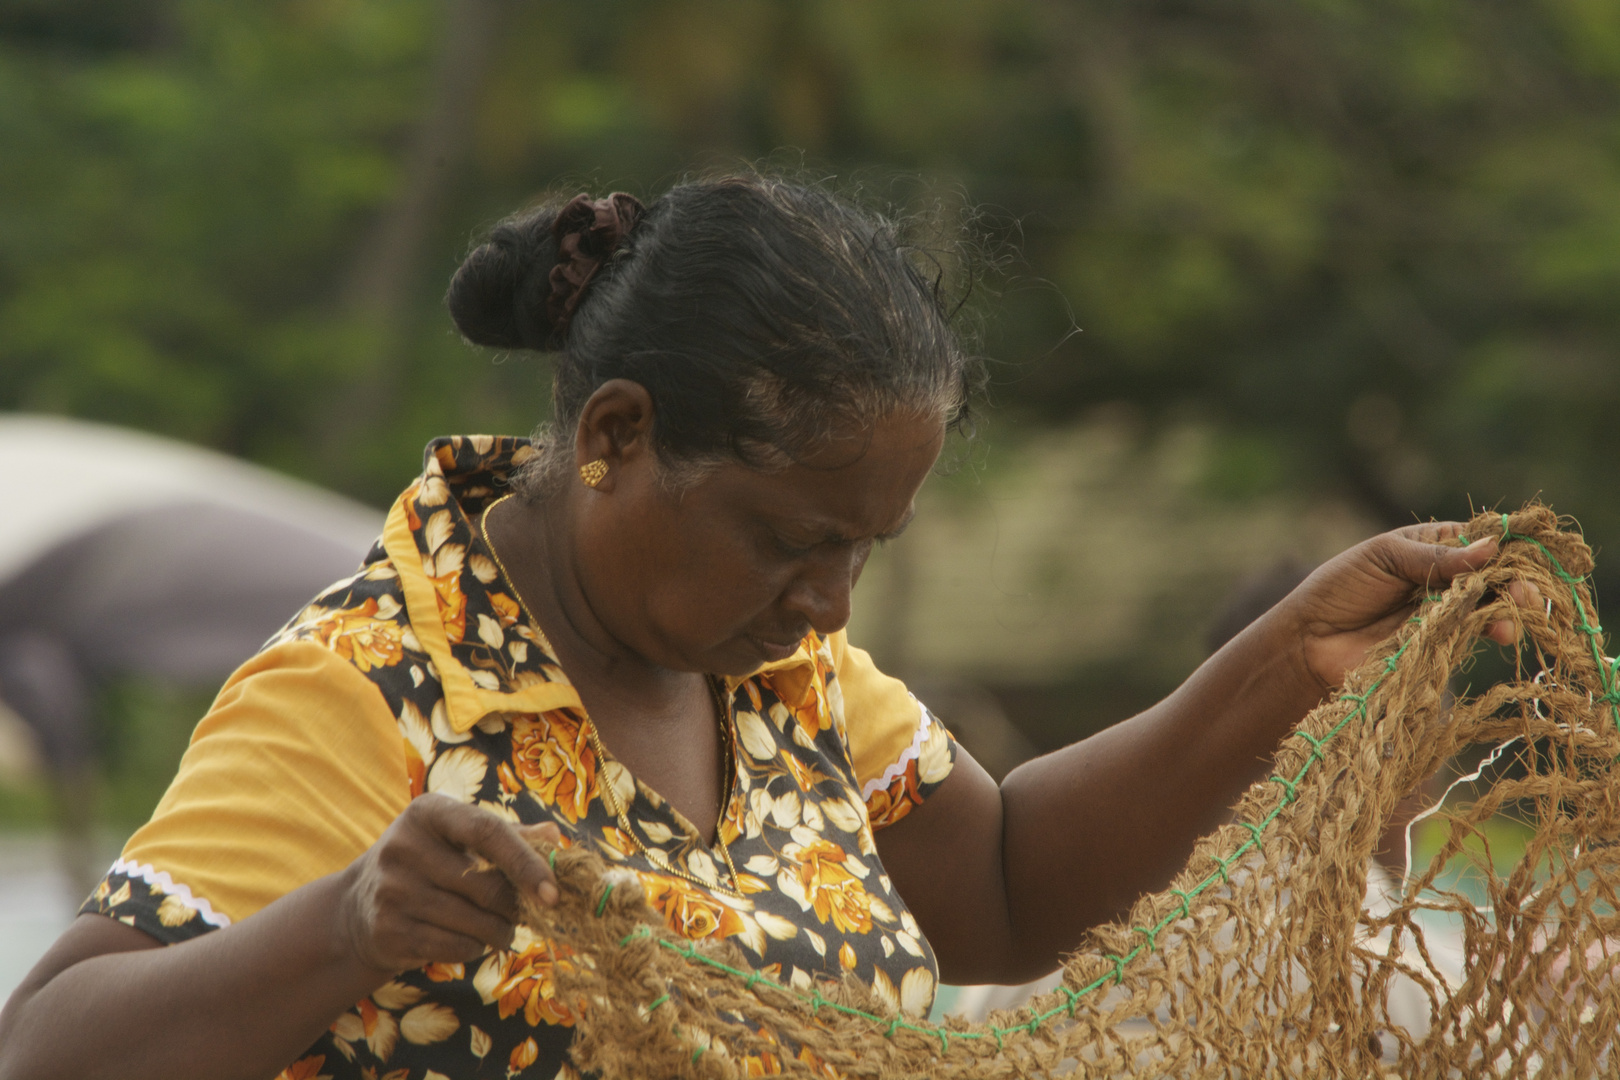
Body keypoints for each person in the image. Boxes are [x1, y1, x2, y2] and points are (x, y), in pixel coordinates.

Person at [0, 174, 1526, 1080]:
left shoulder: (775, 672)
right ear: (614, 435)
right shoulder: (371, 692)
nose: (830, 602)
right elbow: (49, 1044)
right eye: (793, 541)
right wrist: (341, 931)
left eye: (864, 549)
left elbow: (996, 889)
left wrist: (1284, 671)